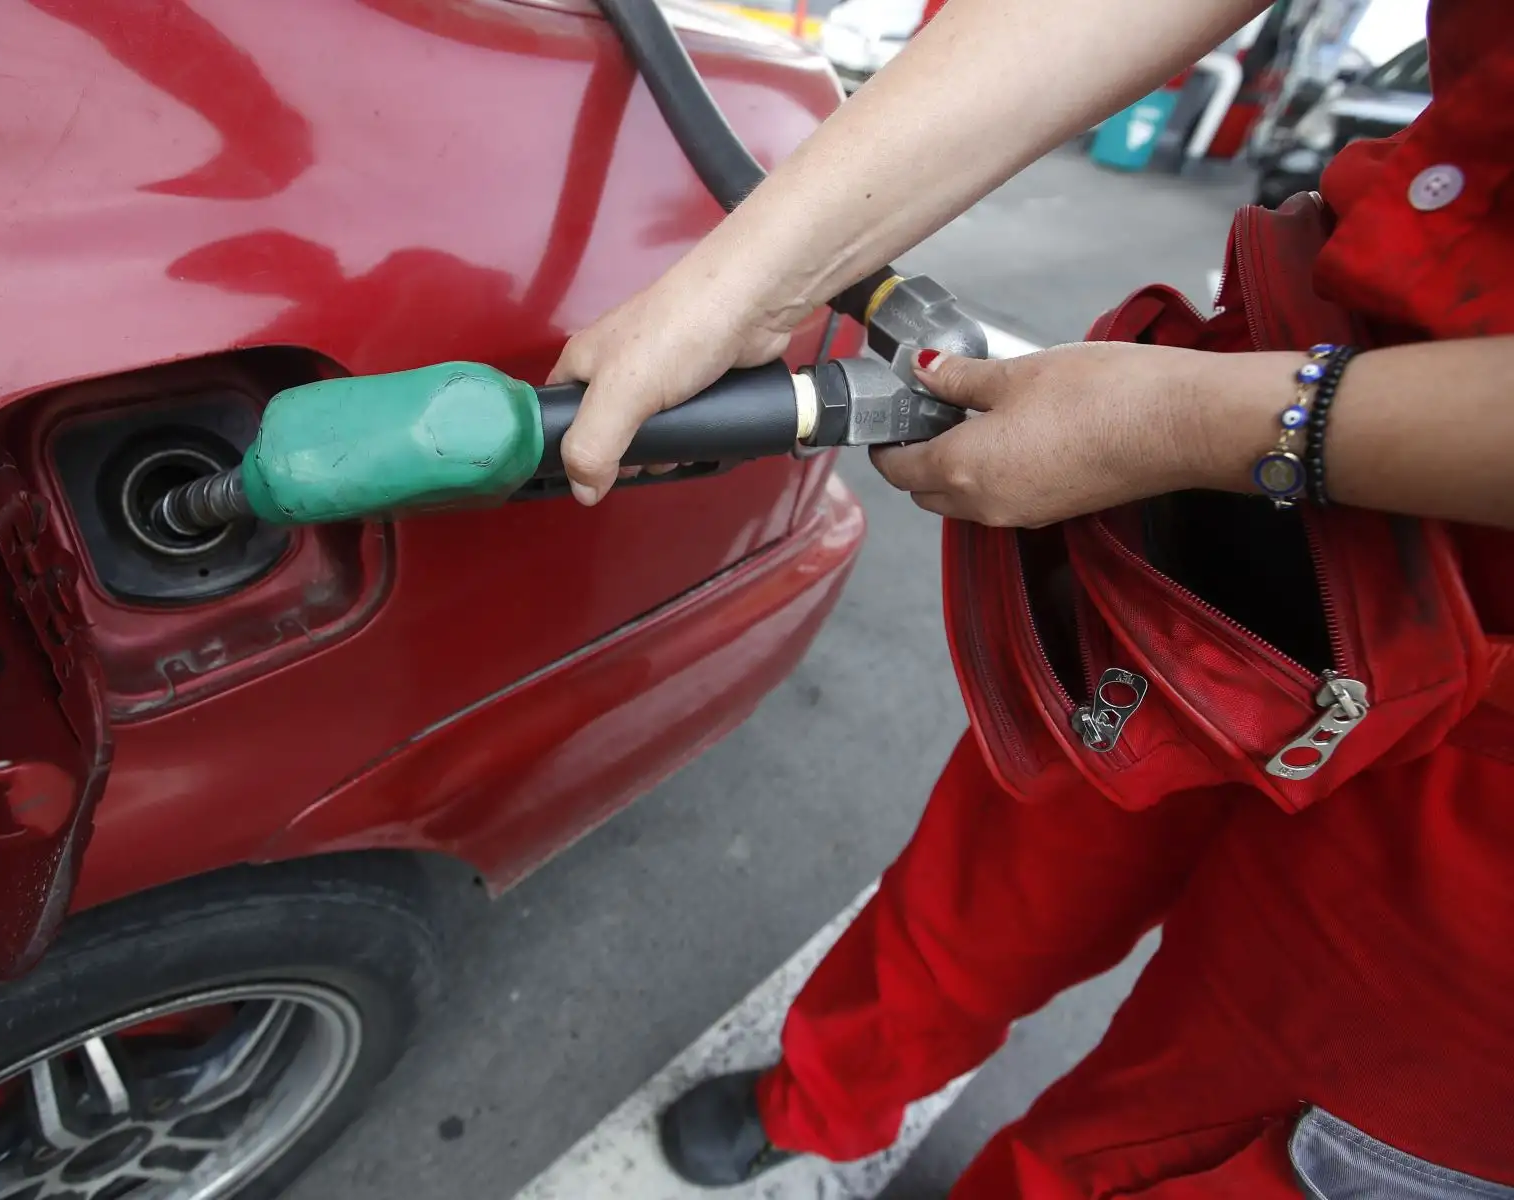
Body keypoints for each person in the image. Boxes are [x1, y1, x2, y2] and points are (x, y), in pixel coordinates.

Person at [548, 0, 1514, 1194]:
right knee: (1001, 874)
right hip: (1229, 514)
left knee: (1231, 1146)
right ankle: (826, 1095)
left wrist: (1190, 423)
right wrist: (749, 279)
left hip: (1476, 779)